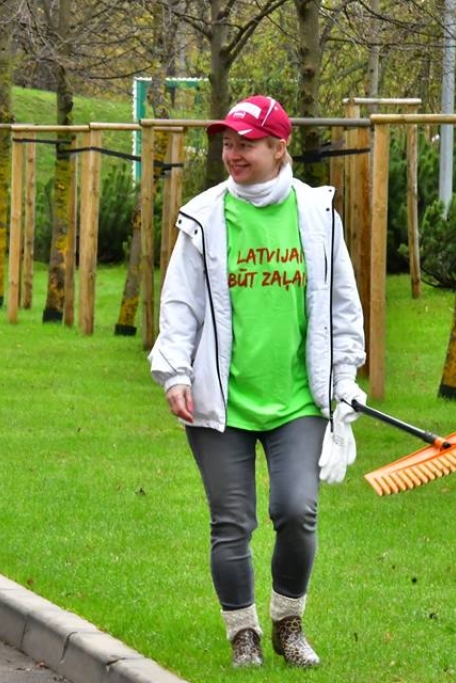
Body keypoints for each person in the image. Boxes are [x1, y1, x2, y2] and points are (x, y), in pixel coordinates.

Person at [147, 95, 366, 669]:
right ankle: (242, 632)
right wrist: (173, 372)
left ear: (278, 148)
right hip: (220, 401)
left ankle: (288, 624)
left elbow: (342, 304)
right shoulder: (204, 217)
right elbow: (181, 304)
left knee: (297, 510)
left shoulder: (317, 215)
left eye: (246, 143)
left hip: (298, 399)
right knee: (232, 521)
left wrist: (346, 379)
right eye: (227, 143)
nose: (233, 153)